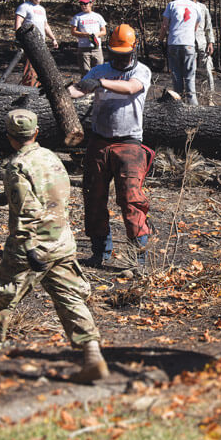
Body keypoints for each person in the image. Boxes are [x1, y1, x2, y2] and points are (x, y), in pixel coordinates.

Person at [0, 109, 108, 383]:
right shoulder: (50, 158)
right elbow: (43, 193)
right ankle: (93, 357)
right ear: (36, 133)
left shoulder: (16, 165)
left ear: (10, 137)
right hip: (61, 242)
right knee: (70, 298)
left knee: (1, 297)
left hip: (32, 246)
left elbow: (27, 209)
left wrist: (29, 247)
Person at [68, 24, 154, 269]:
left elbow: (131, 88)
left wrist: (101, 83)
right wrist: (61, 91)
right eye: (116, 53)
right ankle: (100, 251)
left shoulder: (141, 72)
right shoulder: (98, 70)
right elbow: (78, 89)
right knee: (93, 197)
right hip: (99, 141)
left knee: (131, 200)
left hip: (129, 143)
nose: (120, 58)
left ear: (133, 49)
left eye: (124, 53)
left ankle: (138, 257)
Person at [159, 0, 203, 106]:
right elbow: (195, 27)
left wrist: (160, 39)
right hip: (189, 44)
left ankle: (179, 105)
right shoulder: (196, 7)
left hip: (173, 43)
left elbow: (164, 26)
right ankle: (193, 108)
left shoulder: (172, 5)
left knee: (176, 76)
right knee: (189, 77)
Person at [15, 0, 59, 87]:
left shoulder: (41, 9)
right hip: (29, 44)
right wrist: (19, 38)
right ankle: (28, 92)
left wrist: (53, 38)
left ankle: (38, 91)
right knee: (30, 70)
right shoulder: (24, 6)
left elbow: (45, 26)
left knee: (42, 70)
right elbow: (18, 22)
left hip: (41, 44)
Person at [188, 0, 216, 104]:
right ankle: (191, 99)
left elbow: (208, 26)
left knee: (208, 71)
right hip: (188, 44)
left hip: (202, 44)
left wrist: (210, 42)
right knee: (190, 72)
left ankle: (209, 98)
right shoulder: (183, 7)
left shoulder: (202, 8)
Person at [69, 0, 107, 73]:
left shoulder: (98, 16)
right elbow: (73, 31)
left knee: (99, 72)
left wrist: (96, 35)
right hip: (83, 49)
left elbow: (104, 31)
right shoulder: (77, 17)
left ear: (91, 3)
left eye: (85, 3)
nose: (83, 6)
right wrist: (85, 35)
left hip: (97, 49)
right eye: (81, 3)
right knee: (85, 73)